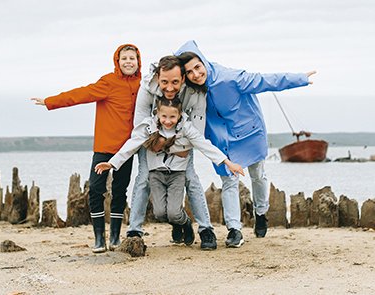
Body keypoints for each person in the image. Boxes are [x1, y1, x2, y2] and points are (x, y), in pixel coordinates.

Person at [175, 40, 316, 247]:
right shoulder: (190, 89)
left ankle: (261, 212)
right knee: (229, 181)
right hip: (221, 138)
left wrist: (300, 78)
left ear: (203, 62)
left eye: (197, 67)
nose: (196, 74)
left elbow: (265, 81)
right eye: (189, 72)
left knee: (257, 175)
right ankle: (235, 230)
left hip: (249, 132)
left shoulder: (230, 78)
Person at [30, 44, 141, 253]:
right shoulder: (108, 82)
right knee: (96, 191)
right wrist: (50, 101)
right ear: (117, 61)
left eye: (132, 58)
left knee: (119, 191)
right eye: (124, 58)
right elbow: (81, 94)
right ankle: (99, 239)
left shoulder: (142, 84)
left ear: (138, 61)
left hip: (127, 149)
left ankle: (115, 237)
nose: (128, 62)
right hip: (104, 147)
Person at [95, 97, 244, 246]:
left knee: (173, 211)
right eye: (164, 116)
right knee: (159, 212)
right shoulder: (149, 127)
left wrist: (227, 162)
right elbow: (132, 144)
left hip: (177, 174)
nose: (168, 121)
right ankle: (174, 223)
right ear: (157, 114)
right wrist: (112, 162)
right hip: (156, 173)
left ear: (179, 115)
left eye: (172, 117)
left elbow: (204, 144)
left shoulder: (186, 127)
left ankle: (185, 222)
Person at [127, 55, 219, 250]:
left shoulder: (195, 93)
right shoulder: (146, 89)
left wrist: (173, 146)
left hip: (183, 141)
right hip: (151, 142)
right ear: (158, 77)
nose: (169, 88)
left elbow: (197, 131)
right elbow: (139, 127)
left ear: (183, 79)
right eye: (165, 82)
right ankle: (134, 230)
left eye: (175, 82)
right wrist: (159, 143)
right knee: (143, 179)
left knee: (191, 179)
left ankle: (206, 230)